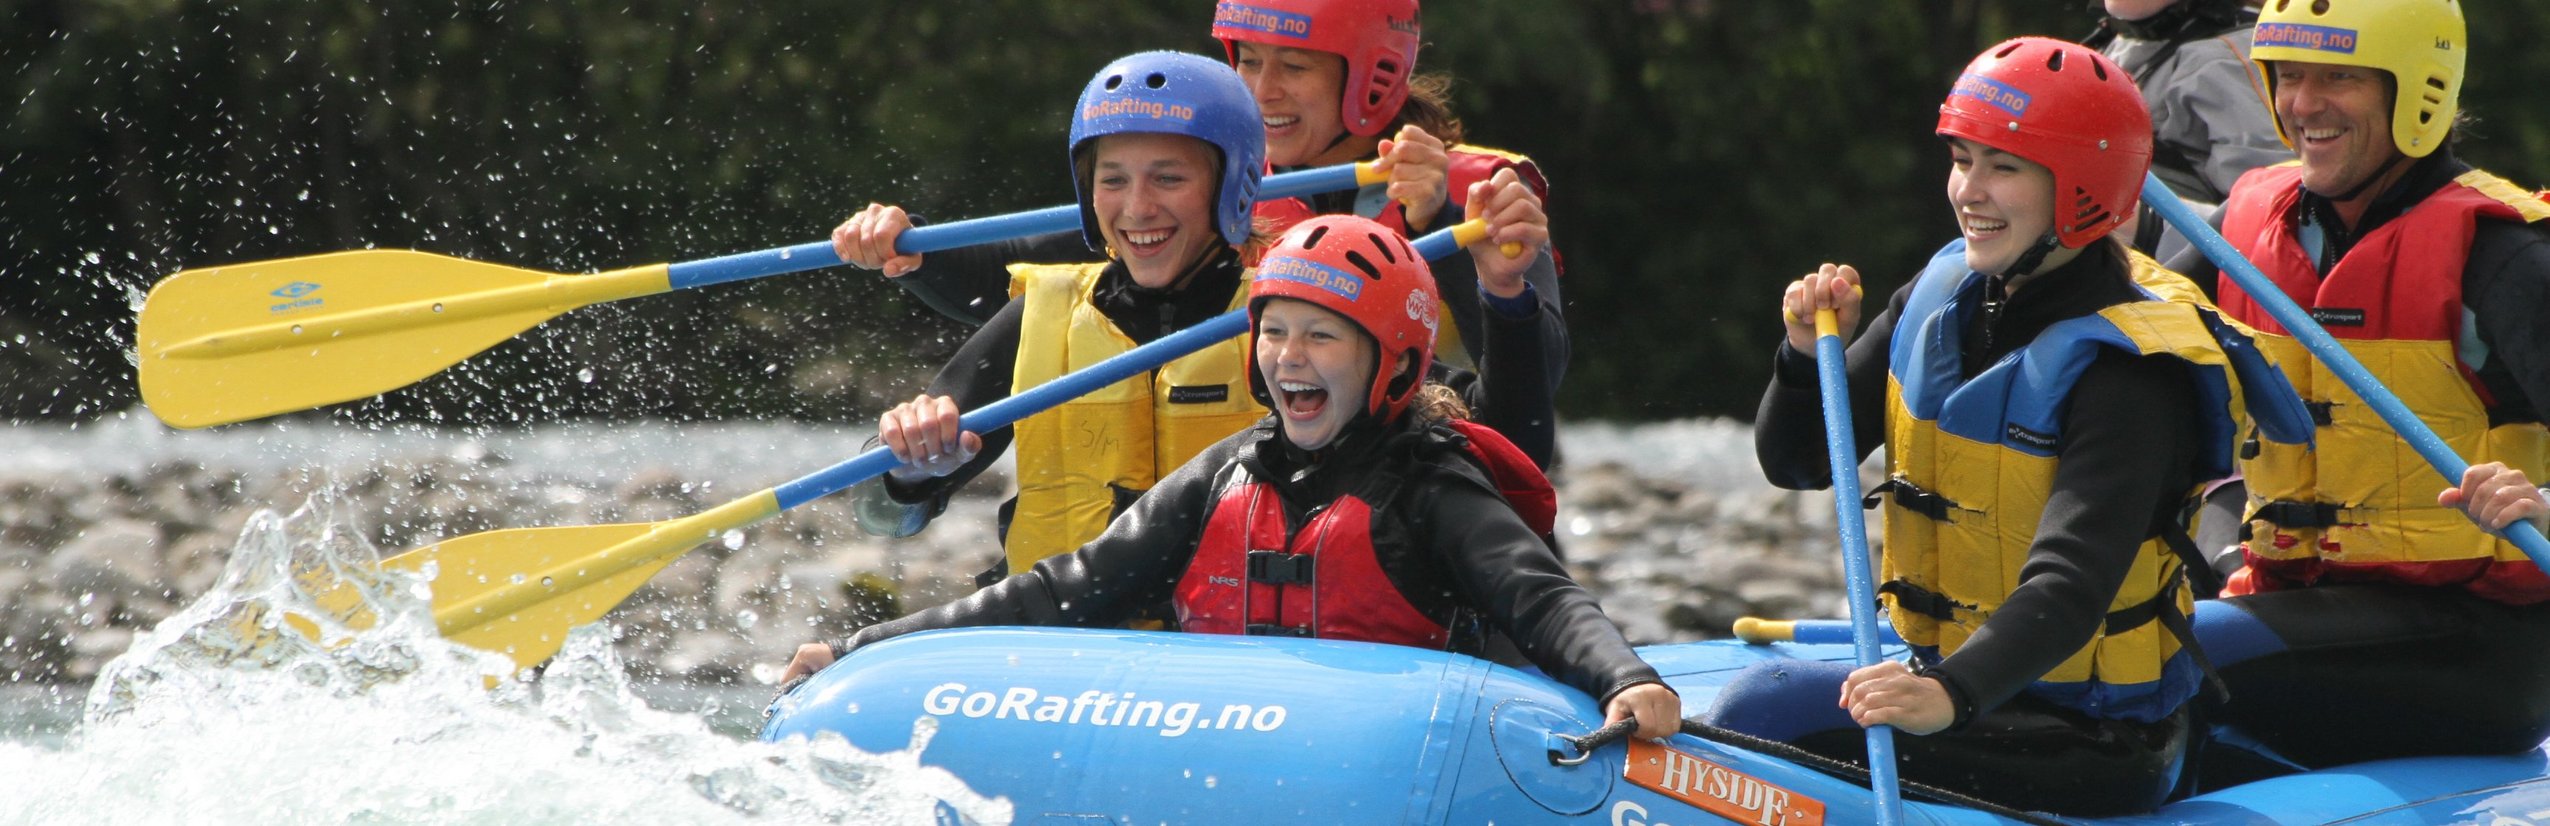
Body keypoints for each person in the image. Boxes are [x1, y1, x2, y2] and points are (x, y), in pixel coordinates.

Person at [784, 214, 1679, 740]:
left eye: (1323, 336)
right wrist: (866, 649)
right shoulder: (1226, 476)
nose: (1291, 357)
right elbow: (1066, 589)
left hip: (1401, 748)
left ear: (1396, 364)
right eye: (1276, 331)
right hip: (1233, 738)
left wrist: (1625, 681)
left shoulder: (1431, 484)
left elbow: (1543, 600)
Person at [1708, 37, 2311, 816]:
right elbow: (1795, 462)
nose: (1969, 190)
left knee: (1762, 711)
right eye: (1962, 159)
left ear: (2084, 188)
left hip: (2096, 734)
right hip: (1967, 680)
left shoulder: (2129, 372)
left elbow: (2070, 585)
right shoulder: (1945, 292)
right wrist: (1800, 357)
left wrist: (1948, 694)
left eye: (2005, 167)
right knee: (1761, 703)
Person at [839, 51, 1557, 586]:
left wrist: (1504, 297)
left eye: (1170, 179)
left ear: (1236, 186)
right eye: (1112, 180)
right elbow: (881, 514)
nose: (1137, 208)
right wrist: (909, 469)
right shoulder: (1043, 315)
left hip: (1239, 654)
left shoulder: (1300, 321)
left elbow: (1505, 450)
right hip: (1062, 641)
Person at [2166, 0, 2550, 773]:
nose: (2304, 104)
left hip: (2474, 645)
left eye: (2338, 77)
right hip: (2295, 603)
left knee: (2171, 651)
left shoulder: (2505, 257)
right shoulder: (2245, 233)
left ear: (2418, 93)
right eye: (2291, 76)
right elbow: (2116, 339)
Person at [843, 0, 1569, 405]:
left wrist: (1438, 219)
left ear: (1372, 75)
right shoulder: (1225, 181)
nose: (1262, 90)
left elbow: (1540, 374)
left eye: (1293, 65)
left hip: (1438, 475)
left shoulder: (1486, 184)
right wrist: (913, 249)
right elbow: (1033, 280)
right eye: (1248, 61)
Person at [2087, 0, 2293, 261]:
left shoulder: (2225, 60)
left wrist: (2140, 223)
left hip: (2178, 282)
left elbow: (2280, 223)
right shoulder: (2118, 42)